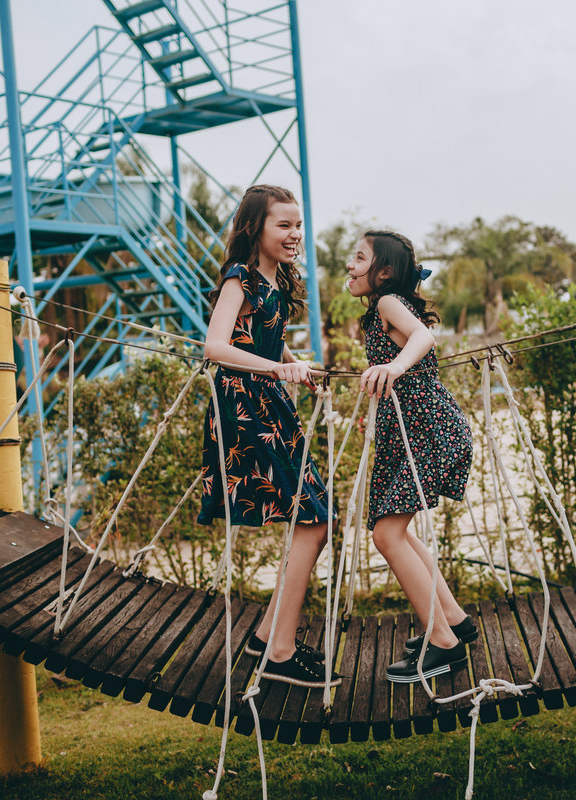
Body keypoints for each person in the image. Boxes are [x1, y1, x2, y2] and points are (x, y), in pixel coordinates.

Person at [199, 184, 338, 688]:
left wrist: (293, 362)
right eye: (284, 225)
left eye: (298, 225)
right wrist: (277, 371)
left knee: (318, 515)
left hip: (270, 403)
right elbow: (216, 346)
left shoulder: (277, 279)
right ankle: (278, 652)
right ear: (256, 229)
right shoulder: (239, 278)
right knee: (314, 518)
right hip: (244, 406)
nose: (295, 234)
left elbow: (263, 339)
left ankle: (265, 637)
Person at [345, 230, 478, 683]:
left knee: (387, 536)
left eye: (358, 257)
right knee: (393, 530)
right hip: (412, 431)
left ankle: (444, 644)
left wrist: (395, 365)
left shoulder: (388, 301)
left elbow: (424, 338)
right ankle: (455, 619)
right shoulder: (382, 308)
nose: (349, 265)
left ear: (383, 272)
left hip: (428, 431)